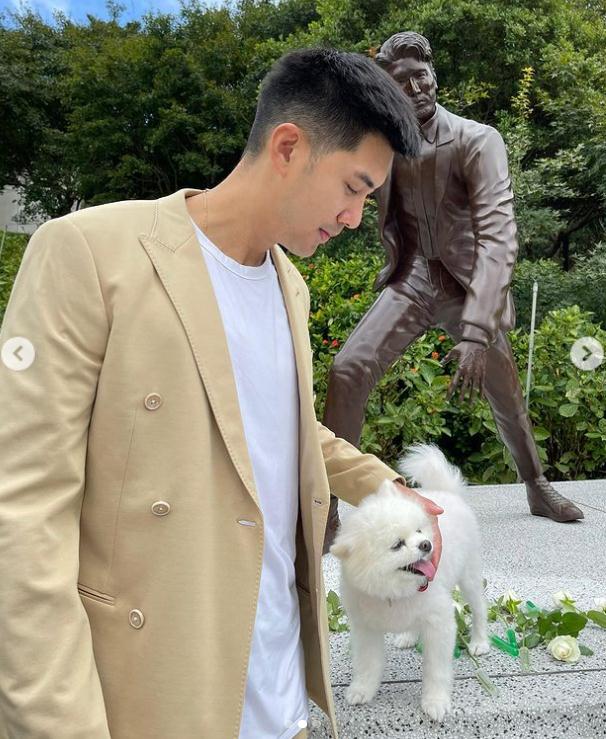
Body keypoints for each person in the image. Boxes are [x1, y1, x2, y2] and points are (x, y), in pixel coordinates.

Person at [0, 47, 444, 739]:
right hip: (156, 693)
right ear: (289, 147)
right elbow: (23, 514)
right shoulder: (90, 253)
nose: (356, 217)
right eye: (354, 188)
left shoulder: (286, 285)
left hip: (282, 696)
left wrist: (387, 483)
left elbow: (279, 427)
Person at [321, 31, 583, 555]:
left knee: (504, 389)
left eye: (423, 75)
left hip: (467, 284)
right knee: (347, 370)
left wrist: (477, 330)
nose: (417, 87)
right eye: (403, 81)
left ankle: (535, 485)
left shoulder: (476, 140)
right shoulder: (386, 145)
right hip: (415, 275)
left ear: (435, 76)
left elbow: (499, 235)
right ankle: (324, 508)